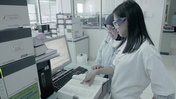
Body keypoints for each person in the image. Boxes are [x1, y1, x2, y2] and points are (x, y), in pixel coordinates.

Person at [81, 0, 176, 99]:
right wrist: (96, 72)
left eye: (117, 22)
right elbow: (114, 68)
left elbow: (166, 93)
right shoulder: (127, 42)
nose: (115, 27)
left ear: (130, 20)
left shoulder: (147, 50)